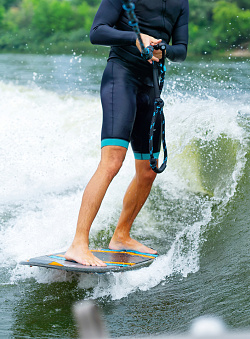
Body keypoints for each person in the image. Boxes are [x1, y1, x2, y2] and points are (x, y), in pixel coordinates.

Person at [64, 0, 189, 266]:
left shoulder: (181, 2)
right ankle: (78, 243)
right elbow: (97, 32)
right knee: (112, 162)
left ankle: (121, 236)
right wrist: (135, 38)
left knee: (147, 171)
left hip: (151, 88)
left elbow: (182, 50)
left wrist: (162, 50)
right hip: (120, 78)